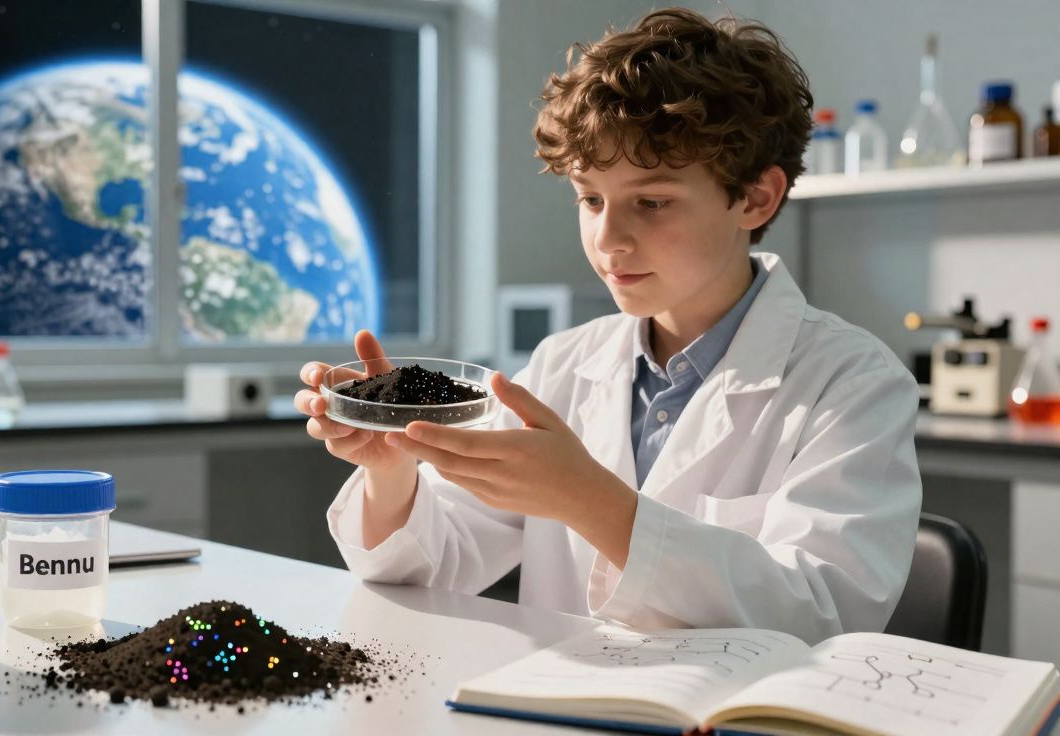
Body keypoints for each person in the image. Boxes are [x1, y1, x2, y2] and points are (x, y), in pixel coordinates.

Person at [294, 7, 920, 644]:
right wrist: (394, 467)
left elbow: (822, 615)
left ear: (756, 198)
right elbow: (430, 569)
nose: (608, 239)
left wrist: (592, 501)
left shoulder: (851, 382)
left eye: (651, 202)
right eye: (591, 199)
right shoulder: (564, 363)